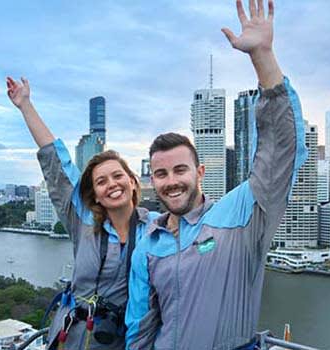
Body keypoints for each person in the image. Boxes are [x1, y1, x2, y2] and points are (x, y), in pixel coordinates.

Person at [125, 0, 308, 349]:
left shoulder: (237, 216)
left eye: (180, 169)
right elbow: (140, 328)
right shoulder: (148, 245)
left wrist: (263, 58)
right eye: (161, 173)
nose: (171, 181)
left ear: (201, 172)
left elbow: (279, 154)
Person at [7, 76, 157, 350]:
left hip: (121, 339)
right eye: (101, 182)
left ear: (133, 181)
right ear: (95, 194)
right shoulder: (84, 222)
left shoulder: (156, 229)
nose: (111, 184)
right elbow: (57, 164)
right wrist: (25, 105)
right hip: (74, 336)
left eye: (117, 176)